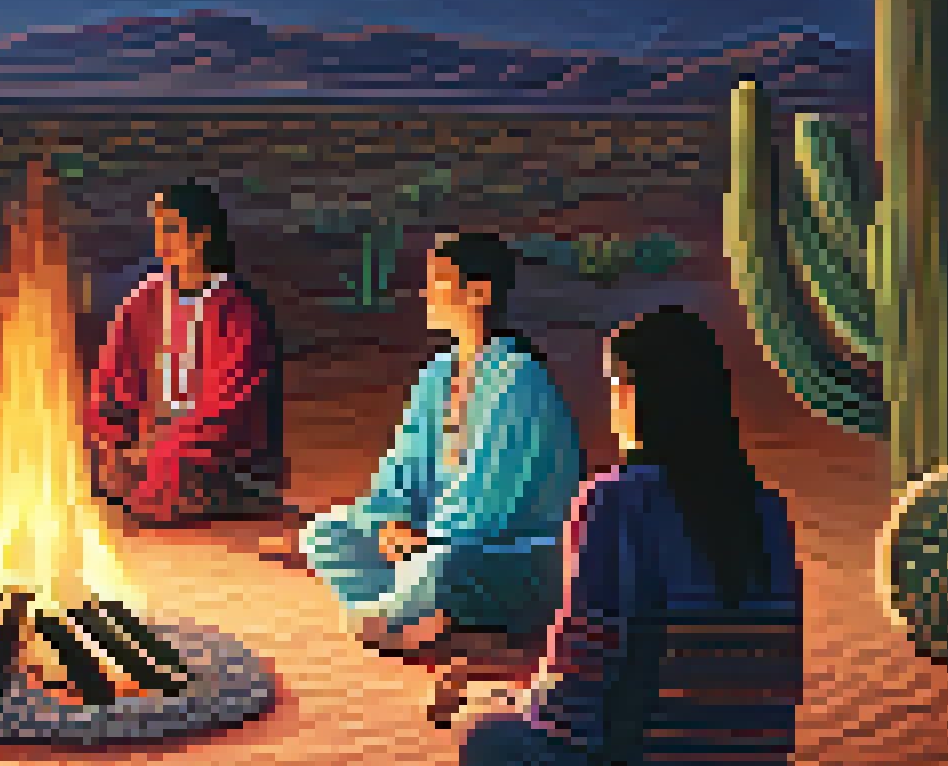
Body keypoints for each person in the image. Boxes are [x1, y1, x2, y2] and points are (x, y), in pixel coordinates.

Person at [460, 305, 802, 766]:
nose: (612, 405)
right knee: (503, 703)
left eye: (616, 384)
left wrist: (510, 709)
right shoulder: (765, 506)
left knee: (479, 732)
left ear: (639, 395)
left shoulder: (614, 502)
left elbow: (583, 671)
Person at [302, 232, 584, 651]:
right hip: (429, 541)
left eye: (438, 280)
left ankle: (410, 613)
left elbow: (497, 498)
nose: (426, 292)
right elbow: (403, 465)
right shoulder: (437, 374)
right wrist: (390, 519)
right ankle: (421, 613)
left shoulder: (518, 376)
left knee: (443, 565)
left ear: (479, 293)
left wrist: (427, 538)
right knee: (324, 536)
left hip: (503, 552)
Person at [86, 183, 287, 527]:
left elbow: (230, 408)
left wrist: (157, 444)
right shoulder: (143, 301)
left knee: (169, 470)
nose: (162, 244)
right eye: (159, 231)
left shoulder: (237, 310)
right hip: (145, 444)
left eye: (172, 231)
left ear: (202, 237)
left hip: (212, 456)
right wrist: (111, 436)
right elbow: (113, 382)